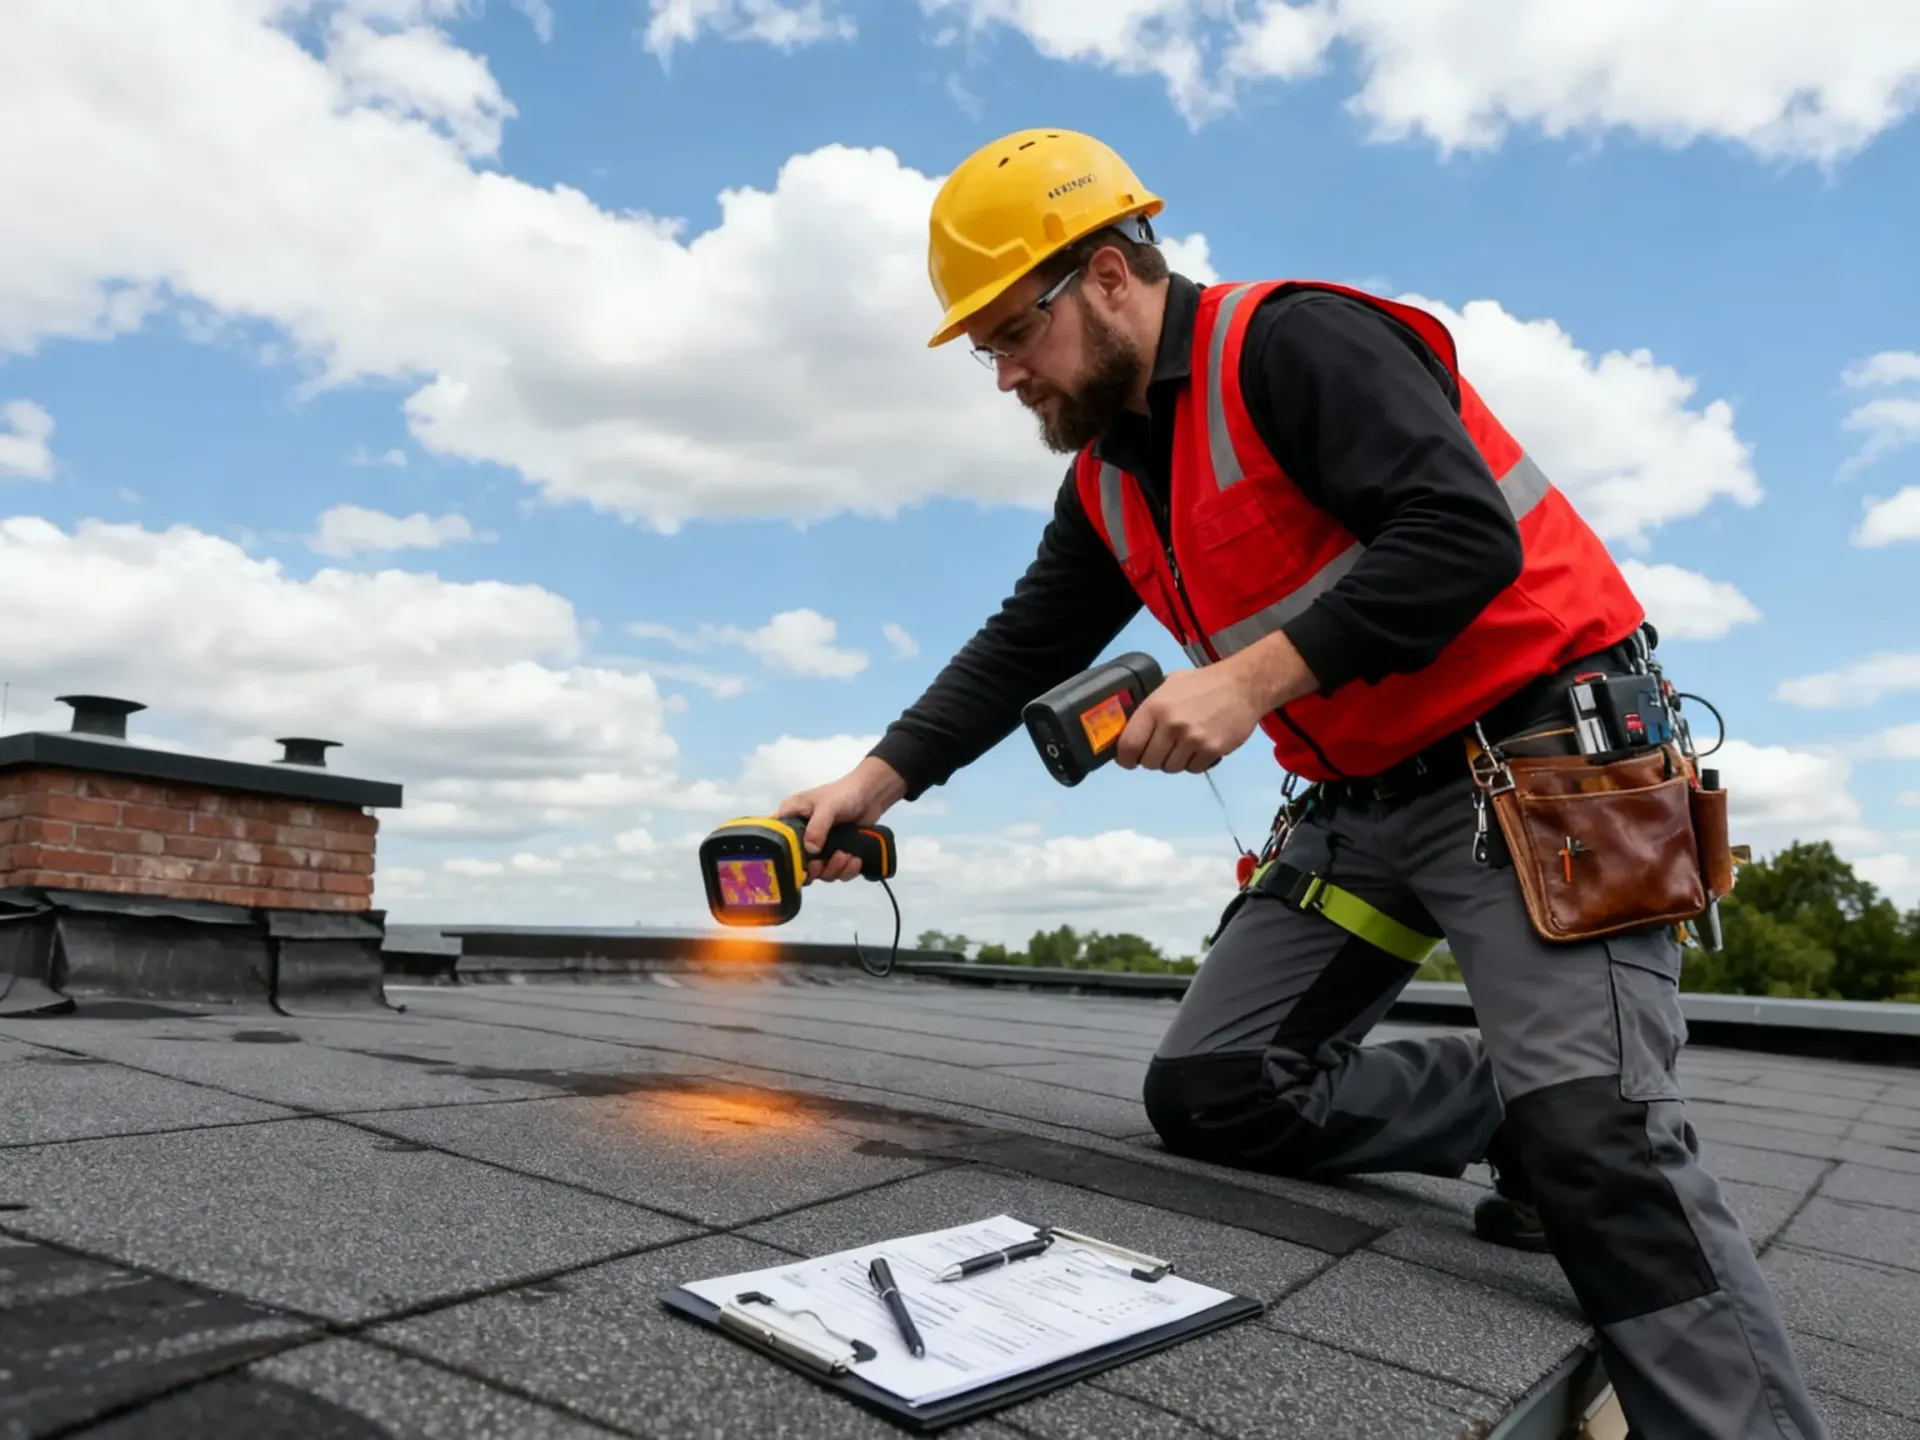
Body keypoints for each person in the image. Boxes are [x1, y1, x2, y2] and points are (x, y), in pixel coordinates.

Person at [779, 128, 1826, 1439]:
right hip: (1371, 813)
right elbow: (1027, 641)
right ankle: (1520, 1092)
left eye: (1009, 332)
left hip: (1546, 775)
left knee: (1606, 1150)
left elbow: (1463, 536)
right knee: (1216, 1089)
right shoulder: (1110, 472)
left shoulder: (1293, 345)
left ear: (1109, 275)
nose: (999, 372)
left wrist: (1244, 683)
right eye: (983, 346)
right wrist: (875, 781)